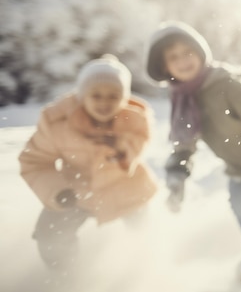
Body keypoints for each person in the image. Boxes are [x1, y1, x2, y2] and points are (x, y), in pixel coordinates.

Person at [145, 21, 241, 281]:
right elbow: (184, 144)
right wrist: (176, 173)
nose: (183, 60)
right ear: (164, 67)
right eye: (173, 57)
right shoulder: (183, 98)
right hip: (239, 169)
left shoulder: (226, 84)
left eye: (188, 52)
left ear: (200, 52)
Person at [19, 55, 158, 271]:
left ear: (123, 98)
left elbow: (137, 147)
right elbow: (35, 162)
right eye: (96, 95)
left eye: (114, 96)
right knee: (50, 235)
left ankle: (145, 271)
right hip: (75, 191)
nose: (105, 102)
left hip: (126, 188)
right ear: (82, 96)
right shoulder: (57, 123)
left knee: (143, 232)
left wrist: (122, 148)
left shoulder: (134, 120)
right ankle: (65, 275)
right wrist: (58, 191)